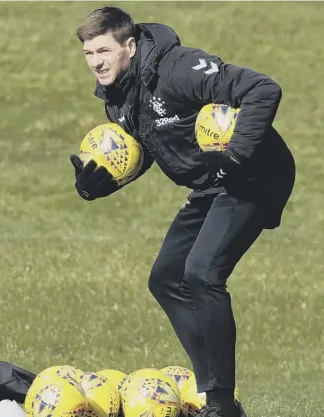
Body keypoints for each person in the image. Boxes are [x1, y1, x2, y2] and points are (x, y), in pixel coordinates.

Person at [70, 6, 295, 417]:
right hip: (213, 182)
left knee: (202, 274)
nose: (96, 62)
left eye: (103, 50)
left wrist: (236, 156)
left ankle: (222, 405)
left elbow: (264, 89)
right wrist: (101, 184)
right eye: (88, 54)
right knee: (167, 278)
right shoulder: (117, 98)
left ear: (130, 46)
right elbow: (153, 146)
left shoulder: (179, 69)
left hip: (257, 173)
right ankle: (213, 392)